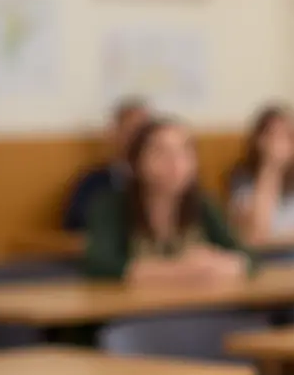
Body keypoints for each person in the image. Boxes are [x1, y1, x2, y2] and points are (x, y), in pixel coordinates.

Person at [83, 118, 252, 284]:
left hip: (200, 304)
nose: (175, 162)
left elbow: (248, 257)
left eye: (184, 152)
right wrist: (180, 270)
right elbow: (99, 265)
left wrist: (226, 264)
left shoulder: (203, 203)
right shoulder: (110, 205)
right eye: (161, 152)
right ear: (137, 161)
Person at [228, 105, 294, 244]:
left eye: (290, 136)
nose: (281, 144)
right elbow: (256, 235)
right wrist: (271, 166)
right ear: (259, 140)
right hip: (264, 260)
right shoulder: (243, 178)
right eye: (273, 136)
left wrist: (279, 236)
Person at [62, 97, 150, 230]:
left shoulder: (170, 181)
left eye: (145, 132)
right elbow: (76, 224)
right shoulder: (92, 183)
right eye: (132, 131)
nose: (138, 140)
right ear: (114, 134)